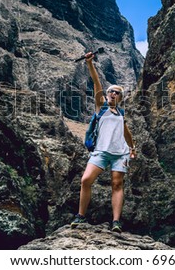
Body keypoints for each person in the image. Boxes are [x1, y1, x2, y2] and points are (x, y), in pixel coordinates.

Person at [71, 51, 137, 233]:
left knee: (117, 184)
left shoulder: (121, 114)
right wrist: (90, 63)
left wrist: (132, 148)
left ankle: (116, 222)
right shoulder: (102, 108)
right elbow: (96, 82)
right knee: (86, 180)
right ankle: (81, 216)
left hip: (120, 153)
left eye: (117, 93)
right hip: (101, 151)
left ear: (120, 97)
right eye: (111, 92)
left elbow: (126, 132)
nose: (113, 94)